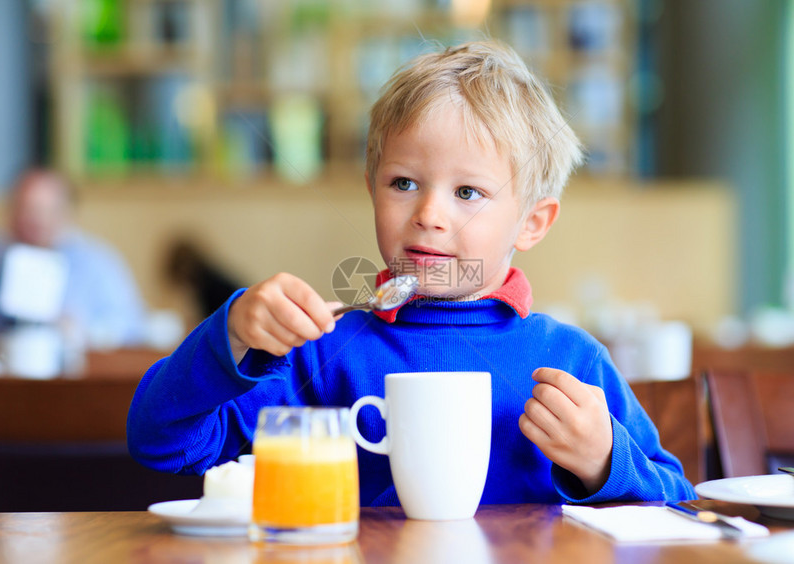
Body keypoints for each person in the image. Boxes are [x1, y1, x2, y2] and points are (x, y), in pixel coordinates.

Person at [127, 40, 695, 504]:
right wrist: (228, 337)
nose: (428, 215)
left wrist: (603, 461)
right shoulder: (325, 354)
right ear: (372, 189)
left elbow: (679, 500)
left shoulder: (573, 362)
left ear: (533, 222)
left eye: (468, 191)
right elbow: (163, 442)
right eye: (404, 183)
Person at [7, 169, 147, 347]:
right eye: (25, 209)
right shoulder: (0, 259)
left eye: (43, 210)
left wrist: (81, 331)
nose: (34, 220)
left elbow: (133, 326)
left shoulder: (97, 262)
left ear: (66, 212)